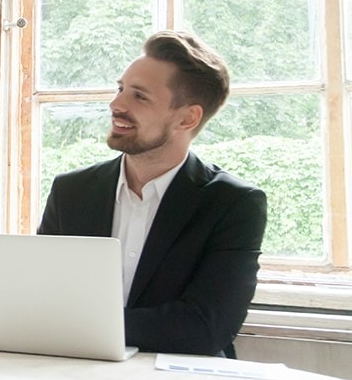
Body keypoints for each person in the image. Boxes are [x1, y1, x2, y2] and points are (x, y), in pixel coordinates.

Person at [38, 30, 267, 357]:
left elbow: (206, 328)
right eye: (120, 89)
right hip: (75, 374)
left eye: (139, 96)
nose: (116, 104)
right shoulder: (71, 191)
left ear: (187, 117)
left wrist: (78, 324)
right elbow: (42, 298)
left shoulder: (233, 203)